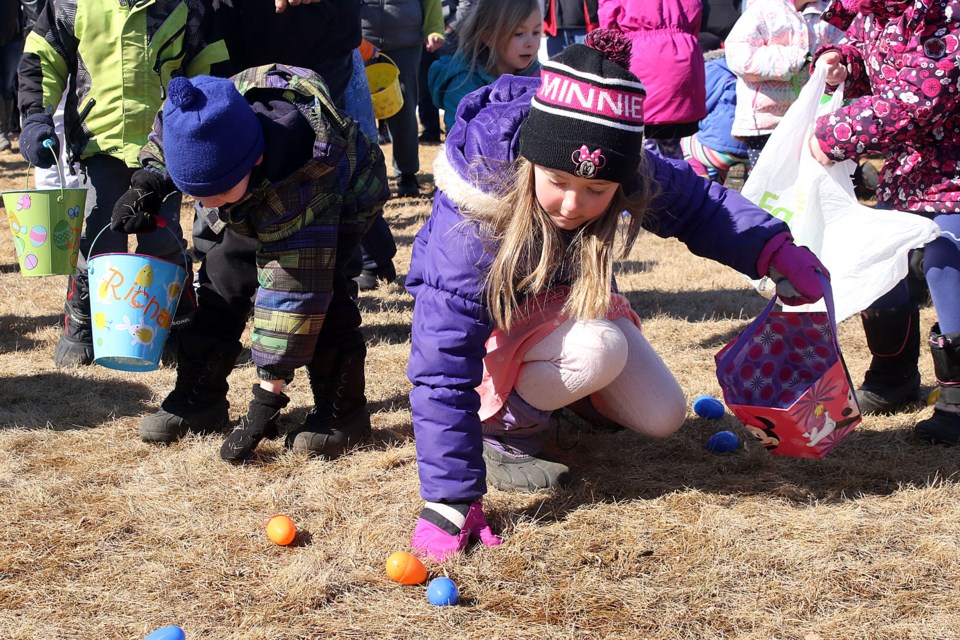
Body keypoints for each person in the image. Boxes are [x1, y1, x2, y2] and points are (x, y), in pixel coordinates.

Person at [405, 29, 829, 561]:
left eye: (597, 191)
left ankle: (556, 395)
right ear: (531, 161)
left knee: (663, 415)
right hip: (503, 332)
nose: (572, 204)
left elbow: (700, 206)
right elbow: (442, 363)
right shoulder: (472, 220)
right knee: (600, 348)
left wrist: (772, 250)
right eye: (557, 180)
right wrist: (450, 498)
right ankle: (502, 432)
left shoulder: (616, 161)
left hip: (560, 317)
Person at [111, 66, 389, 462]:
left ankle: (343, 413)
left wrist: (265, 399)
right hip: (255, 198)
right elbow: (170, 133)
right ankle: (200, 397)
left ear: (254, 158)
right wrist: (149, 183)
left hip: (340, 199)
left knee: (323, 299)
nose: (206, 205)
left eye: (217, 191)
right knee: (222, 276)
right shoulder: (207, 110)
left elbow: (292, 298)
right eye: (197, 194)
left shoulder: (303, 177)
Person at [17, 0, 229, 367]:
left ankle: (177, 318)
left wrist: (200, 121)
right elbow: (42, 57)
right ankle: (83, 321)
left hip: (162, 147)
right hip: (98, 141)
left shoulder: (186, 5)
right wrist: (35, 116)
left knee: (161, 236)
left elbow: (208, 65)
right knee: (99, 233)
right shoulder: (71, 3)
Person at [808, 0, 960, 445]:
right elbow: (875, 50)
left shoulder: (943, 14)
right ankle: (893, 375)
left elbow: (921, 95)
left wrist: (837, 132)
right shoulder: (879, 11)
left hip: (951, 172)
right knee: (881, 261)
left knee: (945, 260)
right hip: (910, 170)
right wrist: (845, 63)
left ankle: (957, 396)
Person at [725, 0, 843, 168]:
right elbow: (739, 57)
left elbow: (842, 48)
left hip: (810, 119)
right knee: (768, 181)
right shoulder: (763, 9)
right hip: (766, 121)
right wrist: (796, 59)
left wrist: (835, 66)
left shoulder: (827, 13)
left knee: (804, 180)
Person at [598, 0, 706, 160]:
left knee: (640, 145)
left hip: (640, 57)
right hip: (683, 57)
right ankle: (675, 179)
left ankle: (648, 181)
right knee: (672, 143)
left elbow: (608, 25)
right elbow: (695, 13)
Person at [361, 0, 445, 198]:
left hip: (405, 41)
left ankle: (407, 174)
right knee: (359, 111)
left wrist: (434, 29)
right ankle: (362, 175)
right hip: (360, 40)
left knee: (405, 109)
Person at [429, 0, 541, 135]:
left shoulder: (541, 78)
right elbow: (466, 140)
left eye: (536, 32)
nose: (531, 43)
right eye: (518, 33)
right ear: (489, 36)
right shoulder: (462, 83)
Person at [680, 49, 750, 184]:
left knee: (685, 138)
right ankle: (723, 181)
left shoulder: (711, 69)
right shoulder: (744, 71)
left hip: (716, 153)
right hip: (749, 150)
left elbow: (700, 106)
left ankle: (705, 180)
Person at [418, 0, 476, 143]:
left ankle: (455, 131)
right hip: (423, 35)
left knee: (453, 85)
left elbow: (468, 4)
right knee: (423, 84)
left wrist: (448, 30)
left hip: (453, 36)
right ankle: (430, 131)